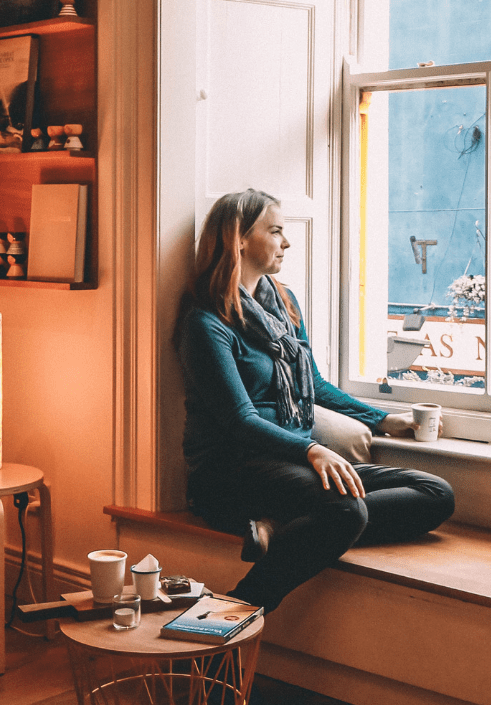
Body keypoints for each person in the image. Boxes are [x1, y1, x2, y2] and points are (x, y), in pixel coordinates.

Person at [177, 189, 454, 612]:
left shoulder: (283, 302)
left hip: (291, 464)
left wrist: (381, 419)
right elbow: (240, 420)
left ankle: (282, 525)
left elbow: (315, 386)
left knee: (435, 493)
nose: (286, 242)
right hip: (231, 472)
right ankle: (235, 611)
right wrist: (312, 449)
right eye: (275, 231)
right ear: (238, 240)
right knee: (346, 512)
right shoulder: (206, 322)